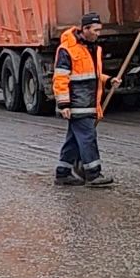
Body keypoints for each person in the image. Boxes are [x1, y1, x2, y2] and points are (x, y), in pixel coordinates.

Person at [52, 12, 114, 187]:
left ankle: (63, 173)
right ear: (84, 29)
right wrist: (64, 104)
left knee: (73, 140)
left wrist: (108, 80)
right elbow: (61, 78)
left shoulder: (93, 48)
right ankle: (93, 175)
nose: (98, 34)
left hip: (87, 103)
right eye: (95, 30)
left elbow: (90, 75)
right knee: (88, 137)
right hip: (77, 104)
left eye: (99, 30)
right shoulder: (67, 50)